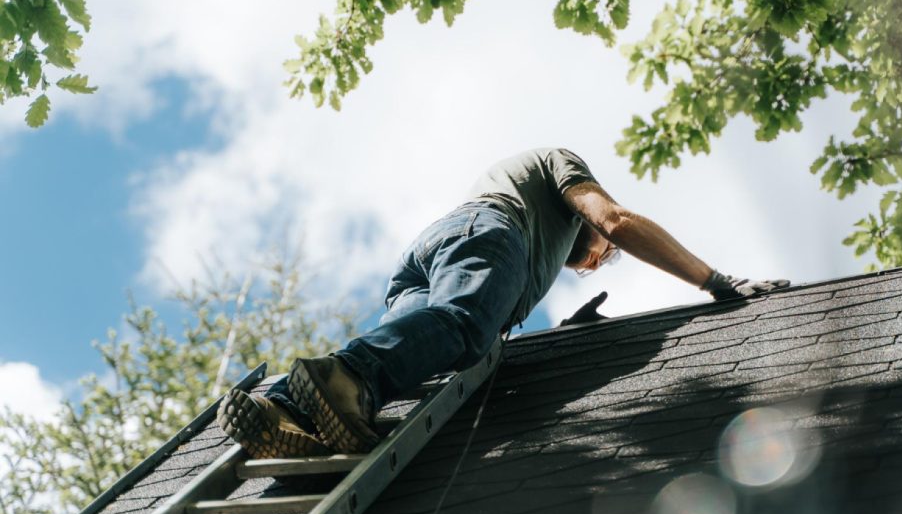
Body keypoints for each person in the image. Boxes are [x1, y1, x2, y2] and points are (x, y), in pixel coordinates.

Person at [217, 148, 789, 458]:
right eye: (596, 258)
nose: (590, 264)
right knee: (465, 328)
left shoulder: (529, 223)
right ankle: (349, 376)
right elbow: (615, 219)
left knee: (418, 345)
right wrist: (716, 280)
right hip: (488, 233)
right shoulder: (561, 171)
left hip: (432, 251)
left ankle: (282, 408)